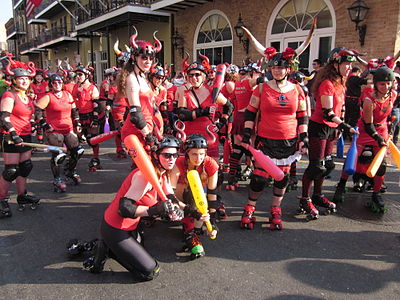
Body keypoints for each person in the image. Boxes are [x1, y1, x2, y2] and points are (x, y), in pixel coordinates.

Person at [239, 25, 313, 230]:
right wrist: (246, 135)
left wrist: (304, 139)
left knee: (282, 177)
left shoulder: (297, 89)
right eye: (274, 67)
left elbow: (302, 116)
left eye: (281, 67)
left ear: (288, 69)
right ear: (269, 68)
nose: (277, 70)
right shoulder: (261, 87)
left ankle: (275, 209)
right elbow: (250, 112)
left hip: (289, 140)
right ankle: (250, 208)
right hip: (265, 139)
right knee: (259, 178)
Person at [82, 136, 183, 281]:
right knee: (150, 271)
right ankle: (105, 249)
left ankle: (108, 247)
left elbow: (170, 196)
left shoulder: (163, 172)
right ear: (156, 155)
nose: (171, 159)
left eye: (174, 155)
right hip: (116, 227)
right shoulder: (145, 177)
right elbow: (124, 209)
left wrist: (185, 211)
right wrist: (155, 210)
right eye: (166, 155)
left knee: (141, 249)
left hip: (132, 226)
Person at [300, 47, 359, 220]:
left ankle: (317, 195)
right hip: (319, 126)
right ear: (335, 64)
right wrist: (345, 126)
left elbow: (341, 108)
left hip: (332, 128)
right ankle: (305, 198)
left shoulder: (341, 83)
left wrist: (339, 128)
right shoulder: (327, 83)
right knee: (315, 166)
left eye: (350, 65)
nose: (349, 68)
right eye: (346, 64)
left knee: (327, 165)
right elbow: (328, 112)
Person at [333, 67, 396, 210]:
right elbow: (368, 125)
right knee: (354, 160)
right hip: (365, 131)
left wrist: (390, 127)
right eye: (382, 84)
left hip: (383, 129)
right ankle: (341, 185)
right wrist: (377, 137)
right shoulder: (369, 100)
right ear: (376, 85)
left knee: (381, 165)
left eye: (388, 84)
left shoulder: (393, 95)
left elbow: (389, 114)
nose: (385, 87)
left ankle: (376, 193)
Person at [170, 134, 219, 259]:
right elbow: (170, 192)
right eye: (194, 154)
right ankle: (187, 225)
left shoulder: (210, 164)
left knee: (198, 198)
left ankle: (194, 233)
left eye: (202, 154)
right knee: (188, 192)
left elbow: (212, 193)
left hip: (200, 194)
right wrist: (186, 209)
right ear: (187, 153)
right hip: (181, 194)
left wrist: (212, 220)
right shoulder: (179, 163)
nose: (198, 158)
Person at [0, 62, 40, 216]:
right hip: (11, 136)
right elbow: (4, 117)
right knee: (11, 171)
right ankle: (1, 200)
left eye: (26, 79)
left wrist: (34, 126)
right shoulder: (10, 95)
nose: (24, 81)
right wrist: (14, 134)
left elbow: (28, 117)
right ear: (14, 80)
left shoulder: (27, 97)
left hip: (25, 136)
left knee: (25, 167)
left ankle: (22, 196)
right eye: (21, 78)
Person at [175, 57, 234, 160]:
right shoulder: (185, 94)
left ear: (203, 76)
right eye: (191, 75)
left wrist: (221, 123)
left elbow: (229, 106)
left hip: (209, 137)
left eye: (197, 74)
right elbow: (182, 115)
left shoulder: (213, 93)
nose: (194, 78)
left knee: (211, 170)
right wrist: (203, 111)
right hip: (190, 139)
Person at [35, 73, 84, 192]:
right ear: (51, 84)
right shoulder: (48, 96)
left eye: (59, 82)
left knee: (77, 152)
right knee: (58, 156)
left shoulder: (67, 94)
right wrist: (44, 124)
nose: (57, 84)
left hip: (68, 127)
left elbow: (74, 111)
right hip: (54, 129)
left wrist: (77, 123)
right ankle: (57, 178)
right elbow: (37, 111)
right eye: (54, 83)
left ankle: (70, 171)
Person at [118, 27, 163, 149]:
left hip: (146, 128)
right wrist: (148, 136)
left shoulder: (143, 77)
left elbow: (150, 107)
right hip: (136, 131)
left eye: (150, 58)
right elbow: (136, 114)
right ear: (134, 58)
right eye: (144, 57)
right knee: (143, 168)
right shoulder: (132, 79)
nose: (148, 61)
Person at [71, 65, 101, 171]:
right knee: (76, 139)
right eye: (77, 74)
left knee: (92, 139)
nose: (78, 77)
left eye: (80, 74)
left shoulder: (92, 88)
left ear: (86, 76)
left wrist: (95, 119)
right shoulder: (75, 87)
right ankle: (73, 160)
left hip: (90, 115)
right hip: (78, 115)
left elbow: (96, 105)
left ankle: (96, 158)